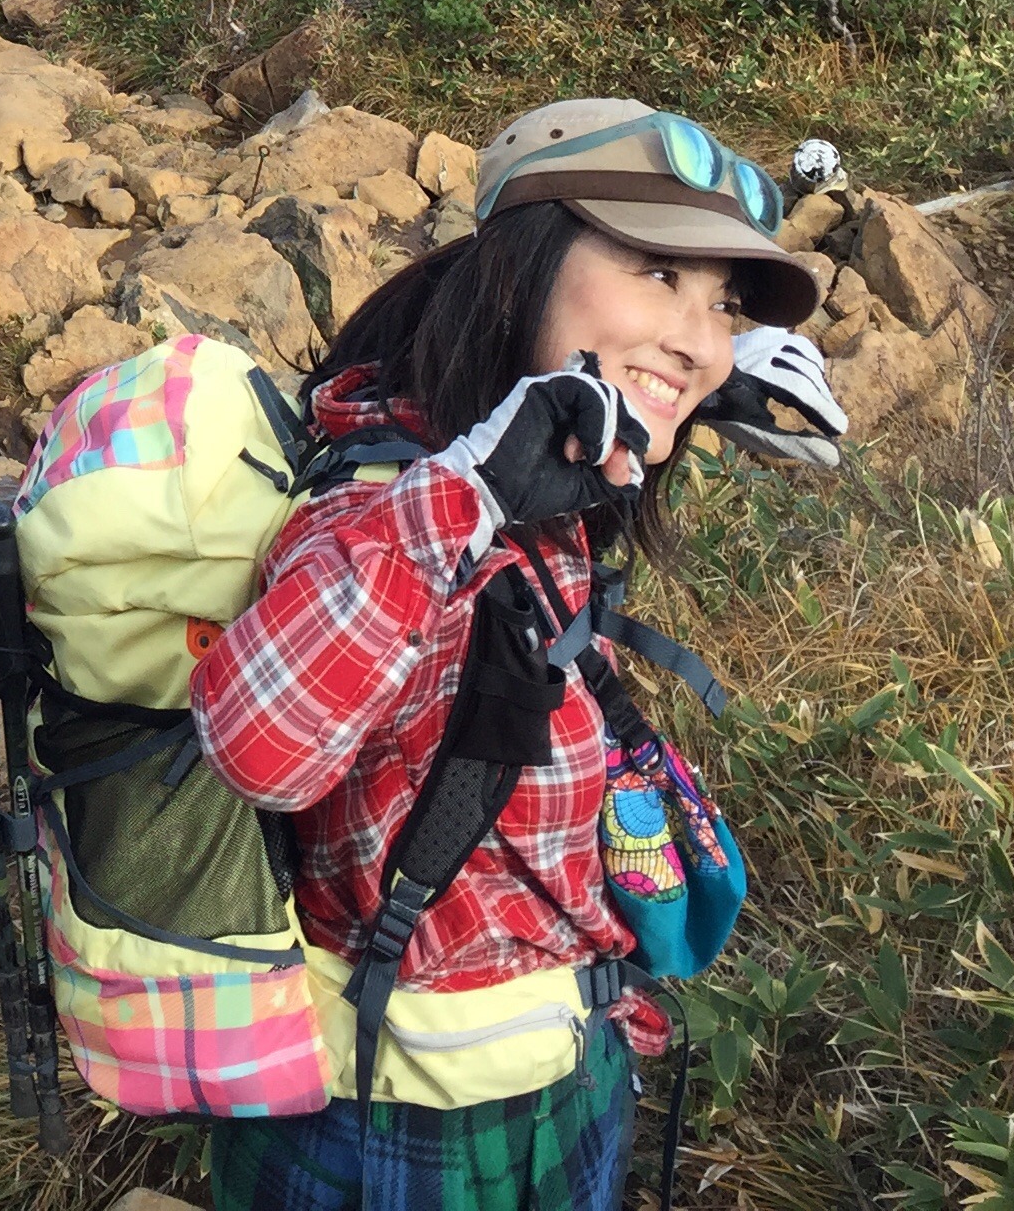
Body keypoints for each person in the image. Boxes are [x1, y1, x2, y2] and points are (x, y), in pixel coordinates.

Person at [189, 98, 830, 1211]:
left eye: (721, 302)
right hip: (405, 1121)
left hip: (557, 1057)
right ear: (520, 267)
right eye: (654, 271)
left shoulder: (544, 458)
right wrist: (468, 493)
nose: (698, 330)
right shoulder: (401, 500)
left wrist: (702, 379)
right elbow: (259, 747)